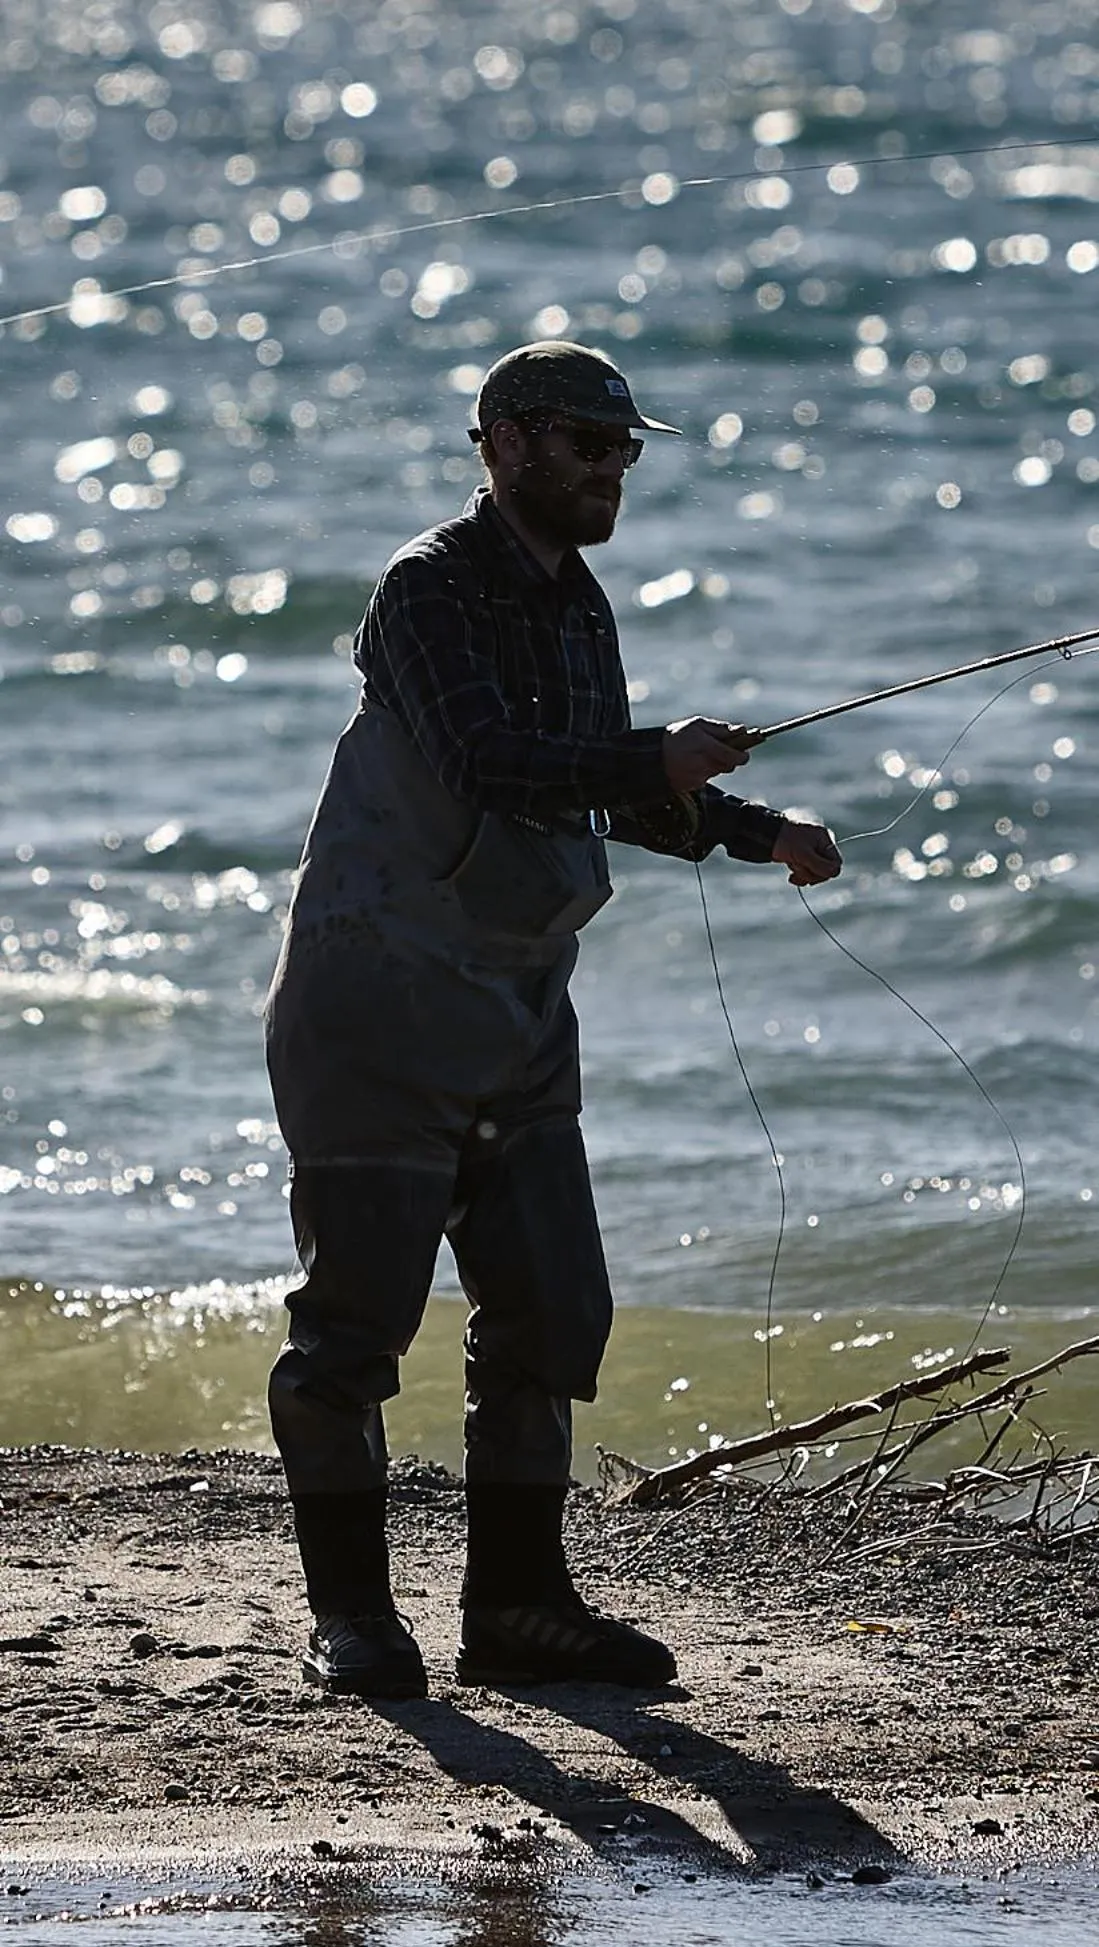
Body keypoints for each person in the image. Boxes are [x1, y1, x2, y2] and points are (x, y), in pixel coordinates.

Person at [264, 340, 841, 1701]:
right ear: (505, 440)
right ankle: (351, 1619)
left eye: (623, 451)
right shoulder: (427, 591)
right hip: (377, 1001)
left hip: (518, 1005)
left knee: (553, 1310)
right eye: (587, 445)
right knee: (355, 1328)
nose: (608, 471)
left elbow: (610, 792)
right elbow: (492, 763)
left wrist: (757, 835)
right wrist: (649, 759)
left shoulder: (579, 607)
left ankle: (515, 1611)